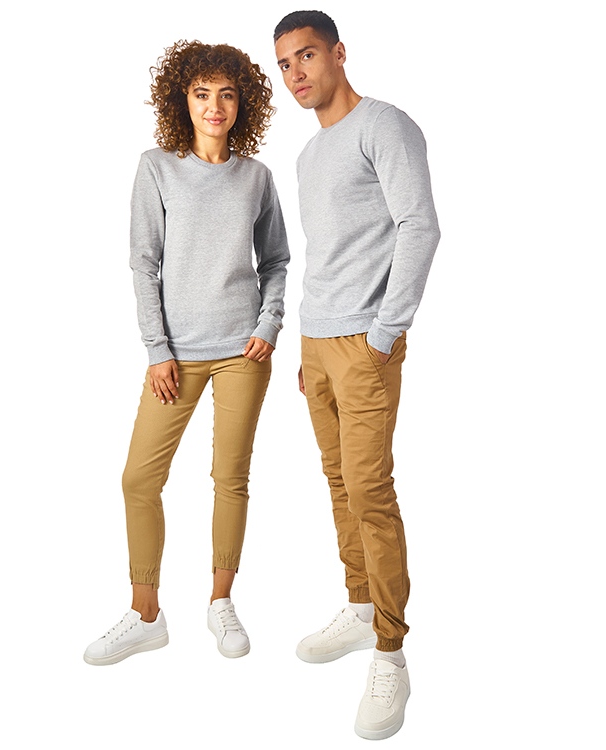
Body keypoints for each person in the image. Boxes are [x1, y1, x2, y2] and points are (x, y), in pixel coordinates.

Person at [83, 40, 289, 666]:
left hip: (243, 352)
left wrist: (270, 323)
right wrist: (157, 349)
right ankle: (146, 613)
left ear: (243, 103)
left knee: (231, 477)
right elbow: (143, 263)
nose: (214, 106)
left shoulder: (257, 177)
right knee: (139, 478)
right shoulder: (157, 168)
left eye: (227, 94)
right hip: (175, 354)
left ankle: (221, 602)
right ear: (184, 100)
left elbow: (276, 261)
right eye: (202, 94)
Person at [273, 10, 440, 740]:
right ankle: (360, 603)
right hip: (318, 343)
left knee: (370, 488)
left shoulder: (385, 126)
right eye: (285, 64)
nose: (296, 73)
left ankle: (392, 652)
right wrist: (307, 347)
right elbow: (327, 256)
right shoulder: (308, 156)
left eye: (306, 55)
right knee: (339, 483)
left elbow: (420, 226)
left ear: (338, 53)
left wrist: (382, 335)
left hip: (366, 344)